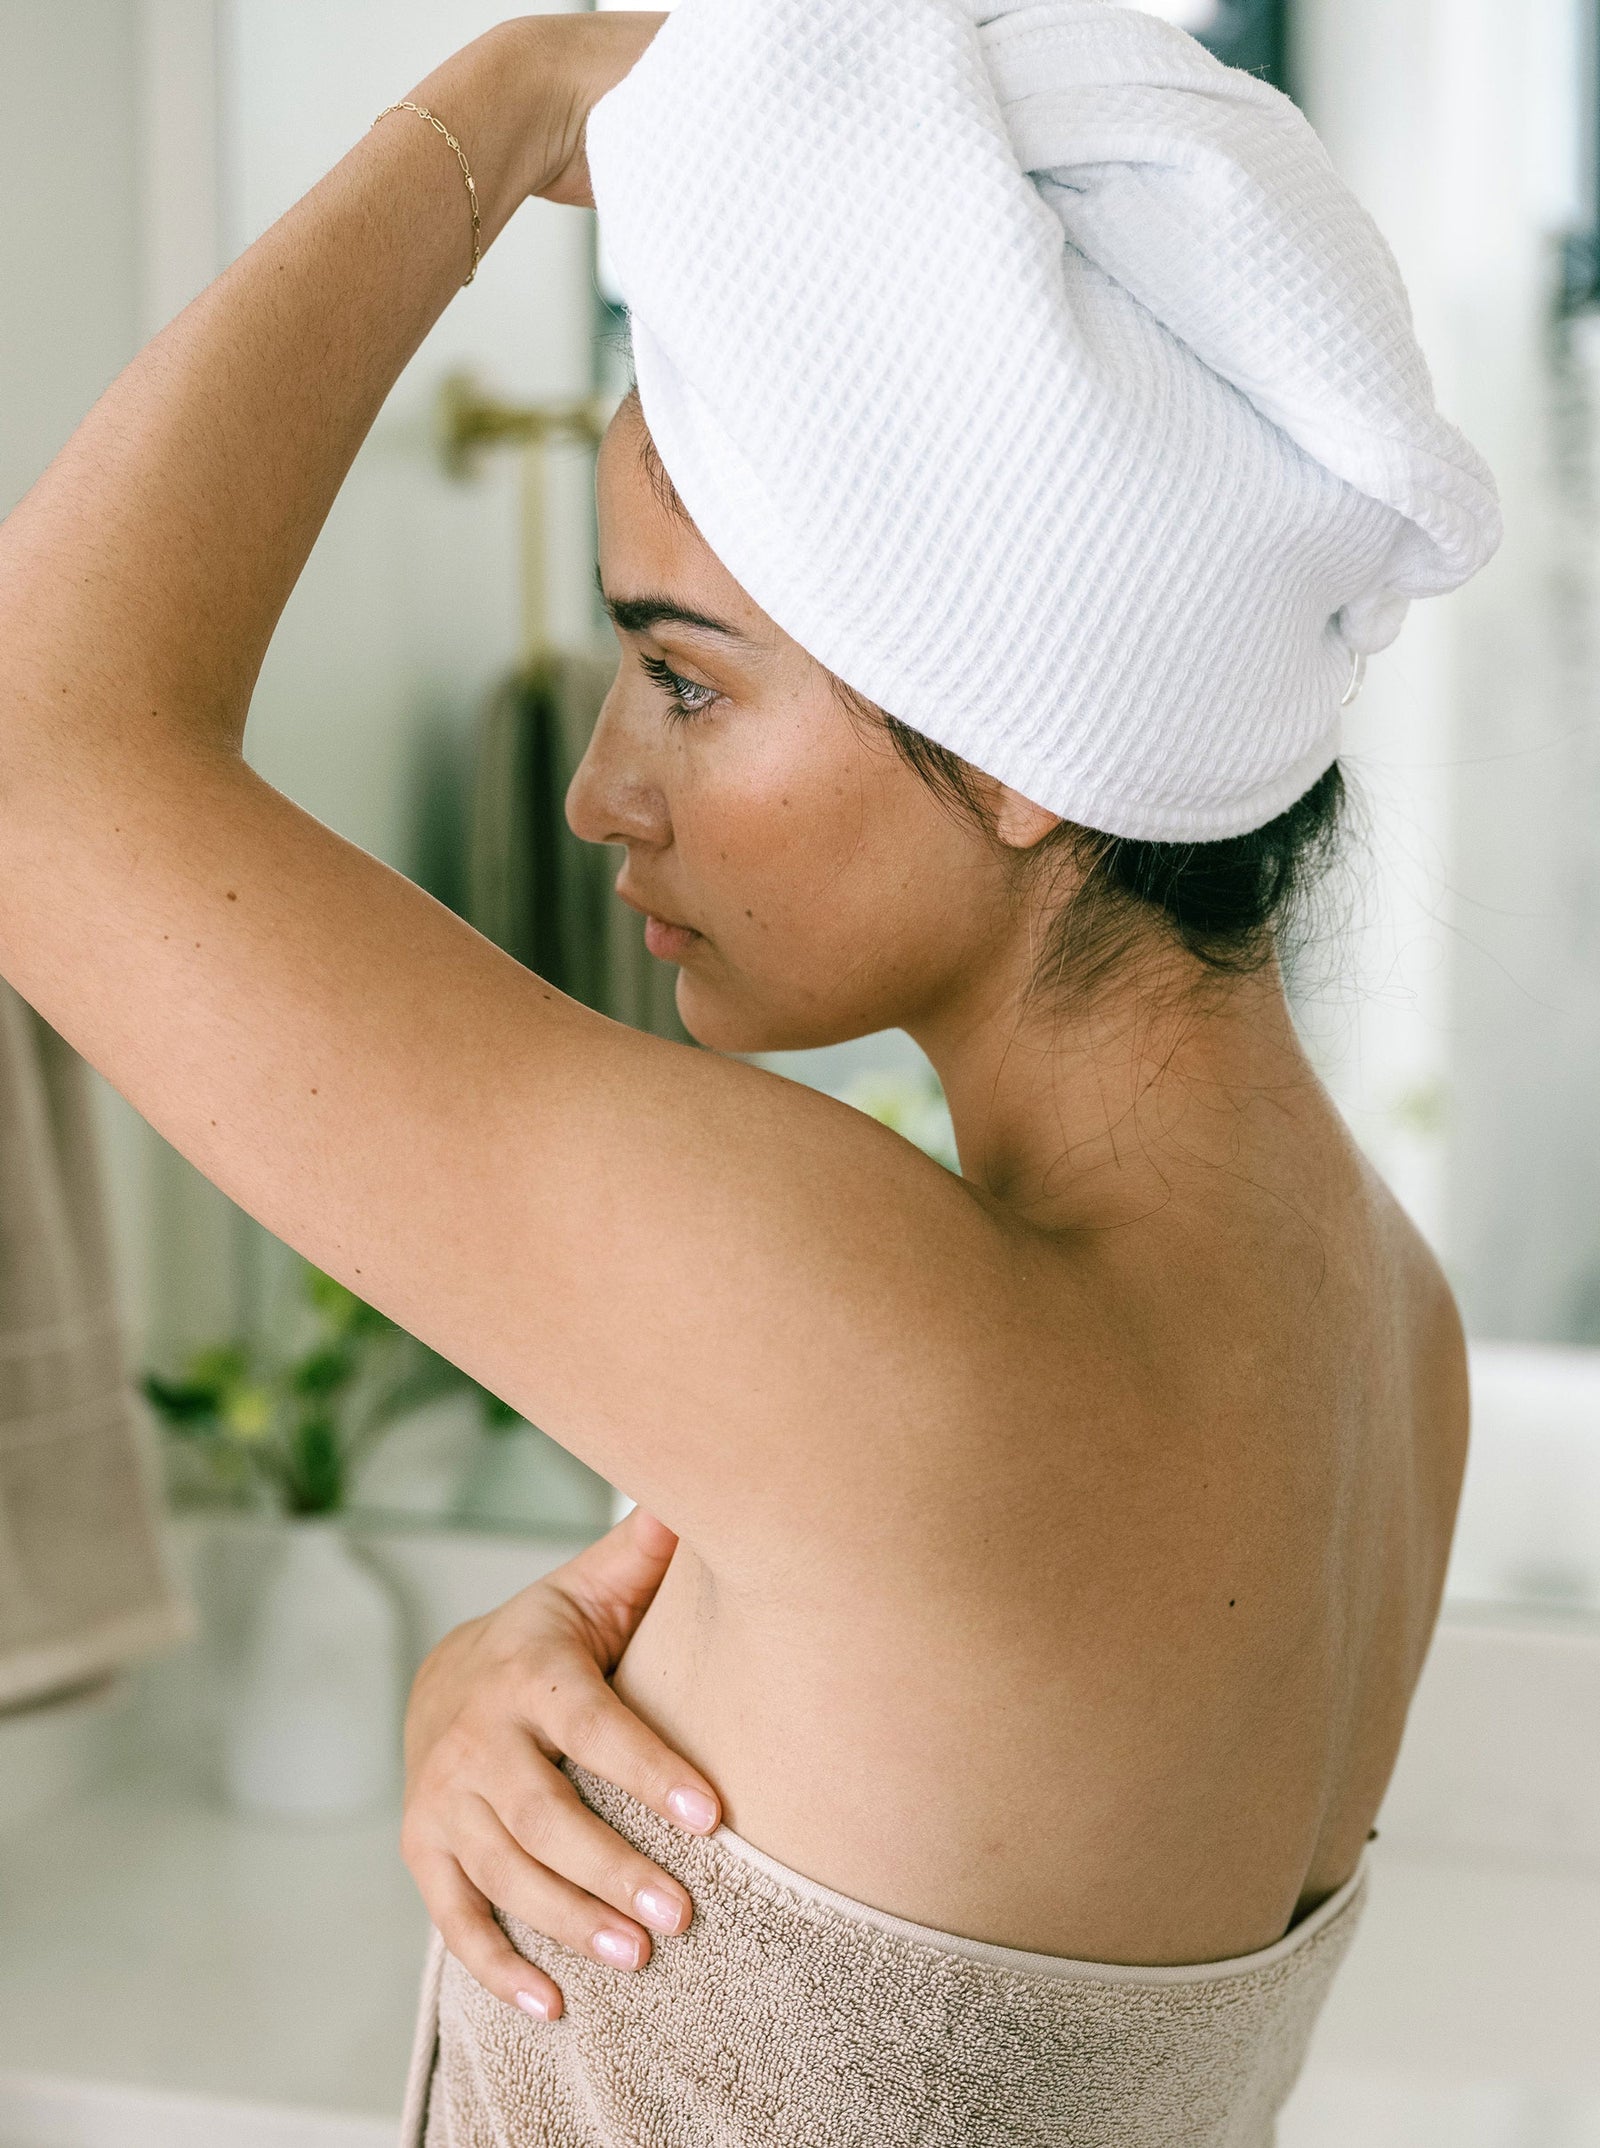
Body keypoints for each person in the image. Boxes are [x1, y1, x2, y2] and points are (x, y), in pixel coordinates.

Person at [0, 4, 1498, 2141]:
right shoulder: (1376, 1319)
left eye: (684, 684)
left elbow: (36, 759)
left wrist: (510, 97)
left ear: (1007, 742)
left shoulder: (903, 1340)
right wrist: (498, 1690)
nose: (604, 790)